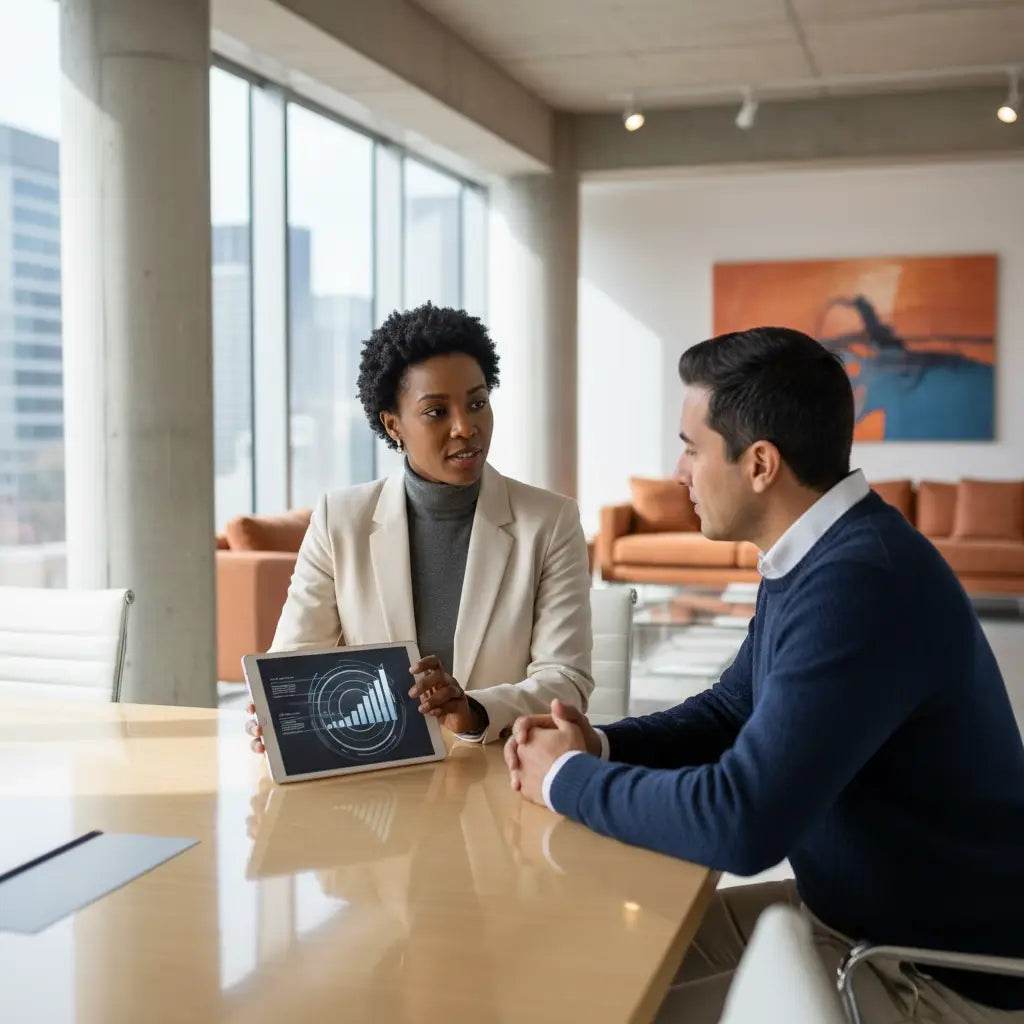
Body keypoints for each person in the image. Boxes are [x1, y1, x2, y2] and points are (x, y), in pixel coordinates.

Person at [506, 327, 1024, 1022]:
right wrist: (597, 746)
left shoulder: (861, 582)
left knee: (611, 1010)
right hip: (845, 915)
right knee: (586, 972)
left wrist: (563, 780)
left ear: (759, 464)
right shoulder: (818, 554)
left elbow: (743, 824)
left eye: (691, 448)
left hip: (930, 973)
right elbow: (731, 710)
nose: (678, 472)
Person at [247, 302, 592, 749]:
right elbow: (293, 663)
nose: (466, 427)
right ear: (394, 426)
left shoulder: (550, 521)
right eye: (436, 412)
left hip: (499, 769)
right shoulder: (340, 520)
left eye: (477, 403)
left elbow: (567, 680)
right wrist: (278, 713)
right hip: (376, 776)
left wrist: (473, 711)